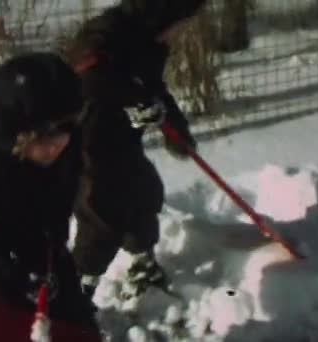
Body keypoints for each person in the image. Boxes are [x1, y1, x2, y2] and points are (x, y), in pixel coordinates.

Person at [0, 52, 99, 335]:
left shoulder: (65, 152)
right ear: (16, 136)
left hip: (43, 252)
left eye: (66, 129)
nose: (57, 144)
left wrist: (50, 254)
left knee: (77, 328)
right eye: (43, 135)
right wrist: (16, 275)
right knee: (10, 327)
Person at [65, 0, 207, 299]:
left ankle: (142, 265)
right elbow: (89, 76)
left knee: (143, 193)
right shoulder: (106, 32)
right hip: (88, 139)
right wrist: (135, 98)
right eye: (181, 23)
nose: (181, 31)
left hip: (121, 137)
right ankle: (76, 293)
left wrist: (177, 131)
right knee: (101, 214)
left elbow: (153, 86)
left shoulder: (149, 39)